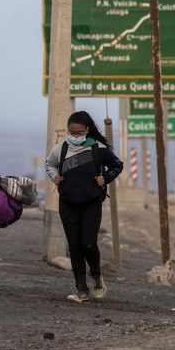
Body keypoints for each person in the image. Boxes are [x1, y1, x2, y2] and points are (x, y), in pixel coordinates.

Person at [45, 110, 123, 303]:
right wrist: (54, 176)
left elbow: (117, 165)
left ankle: (97, 278)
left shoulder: (98, 149)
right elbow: (49, 164)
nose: (75, 136)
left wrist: (105, 178)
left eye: (79, 133)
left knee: (88, 243)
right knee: (74, 247)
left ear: (87, 131)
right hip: (68, 203)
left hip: (91, 203)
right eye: (72, 132)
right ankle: (81, 290)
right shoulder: (60, 149)